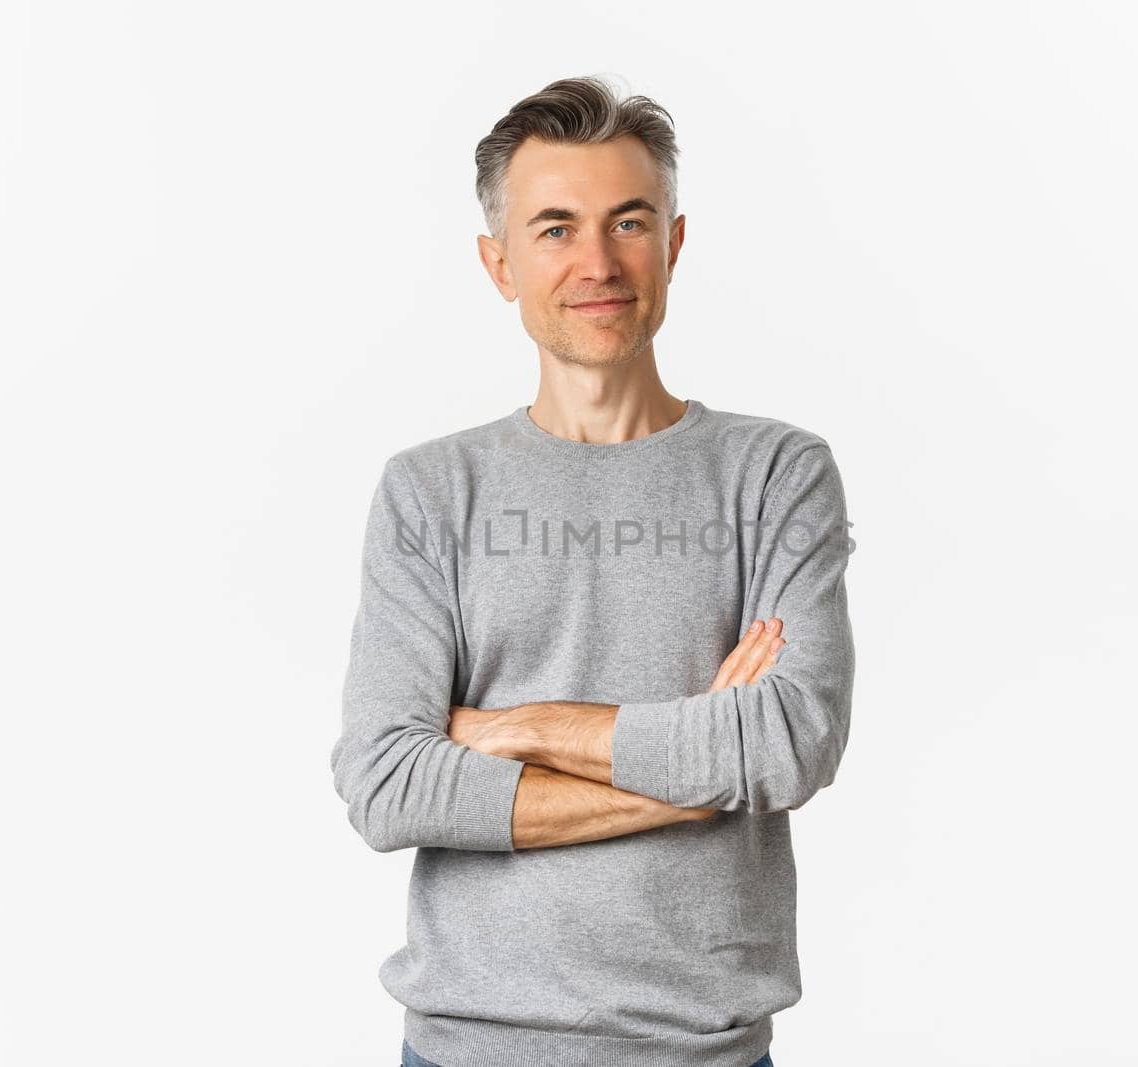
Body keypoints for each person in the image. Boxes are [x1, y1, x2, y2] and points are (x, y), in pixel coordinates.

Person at [330, 74, 855, 1067]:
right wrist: (699, 775)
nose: (598, 262)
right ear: (499, 264)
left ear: (674, 242)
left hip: (706, 1050)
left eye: (627, 221)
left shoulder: (775, 473)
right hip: (466, 1047)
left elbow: (789, 742)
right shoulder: (429, 491)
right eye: (556, 228)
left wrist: (517, 727)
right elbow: (391, 782)